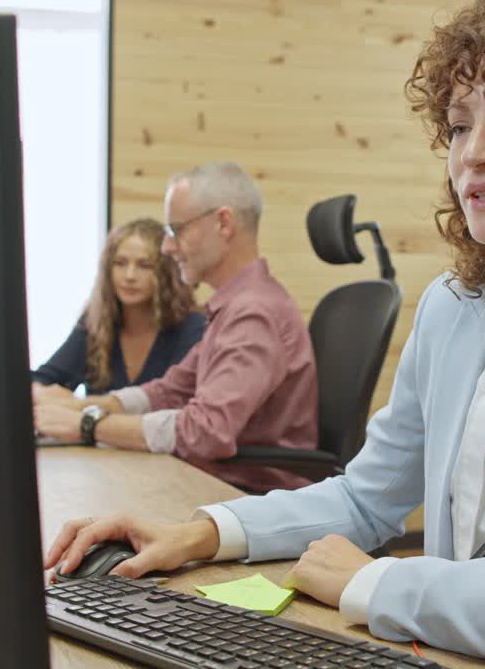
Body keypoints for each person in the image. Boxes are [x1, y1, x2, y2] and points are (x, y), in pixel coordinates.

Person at [44, 0, 485, 668]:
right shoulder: (455, 308)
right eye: (457, 124)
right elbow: (365, 497)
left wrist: (372, 584)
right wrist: (199, 532)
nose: (472, 153)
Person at [34, 163, 319, 493]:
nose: (168, 247)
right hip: (212, 485)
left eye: (177, 230)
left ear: (223, 223)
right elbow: (169, 391)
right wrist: (81, 407)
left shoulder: (253, 314)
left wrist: (89, 425)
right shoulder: (233, 308)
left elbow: (206, 432)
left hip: (244, 497)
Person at [32, 218, 205, 394]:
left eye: (144, 266)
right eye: (120, 263)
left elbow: (173, 401)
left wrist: (82, 409)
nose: (129, 276)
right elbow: (42, 380)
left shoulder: (192, 327)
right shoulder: (94, 323)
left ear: (167, 273)